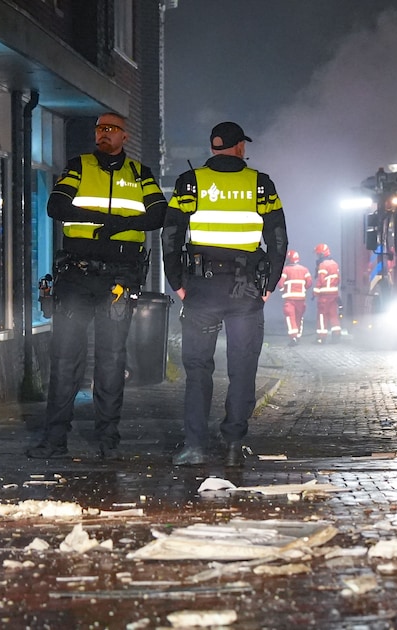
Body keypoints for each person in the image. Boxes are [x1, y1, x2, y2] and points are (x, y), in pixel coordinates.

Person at [28, 112, 167, 460]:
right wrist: (109, 222)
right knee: (64, 357)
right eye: (99, 129)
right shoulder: (79, 167)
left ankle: (108, 440)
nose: (103, 134)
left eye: (111, 129)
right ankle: (54, 439)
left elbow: (159, 214)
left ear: (125, 135)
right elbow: (55, 206)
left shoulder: (139, 174)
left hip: (118, 278)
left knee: (111, 358)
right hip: (76, 276)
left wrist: (115, 224)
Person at [162, 121, 288, 468]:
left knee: (198, 367)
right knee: (243, 366)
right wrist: (270, 285)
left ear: (213, 147)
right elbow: (278, 239)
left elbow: (171, 234)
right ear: (239, 147)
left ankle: (195, 446)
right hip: (245, 290)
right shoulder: (260, 184)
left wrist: (178, 284)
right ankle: (233, 444)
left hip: (201, 289)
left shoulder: (191, 182)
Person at [277, 249, 311, 346]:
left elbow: (280, 284)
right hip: (301, 299)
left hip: (290, 299)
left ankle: (293, 338)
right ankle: (298, 336)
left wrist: (284, 291)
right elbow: (309, 283)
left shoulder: (286, 270)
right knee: (299, 318)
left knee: (290, 318)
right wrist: (302, 289)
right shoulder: (305, 270)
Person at [312, 243, 341, 343]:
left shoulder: (323, 265)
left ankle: (321, 336)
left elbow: (320, 280)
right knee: (333, 314)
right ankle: (336, 335)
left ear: (321, 254)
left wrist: (315, 293)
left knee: (322, 315)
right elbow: (338, 279)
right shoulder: (335, 263)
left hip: (324, 295)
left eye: (318, 254)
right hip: (334, 294)